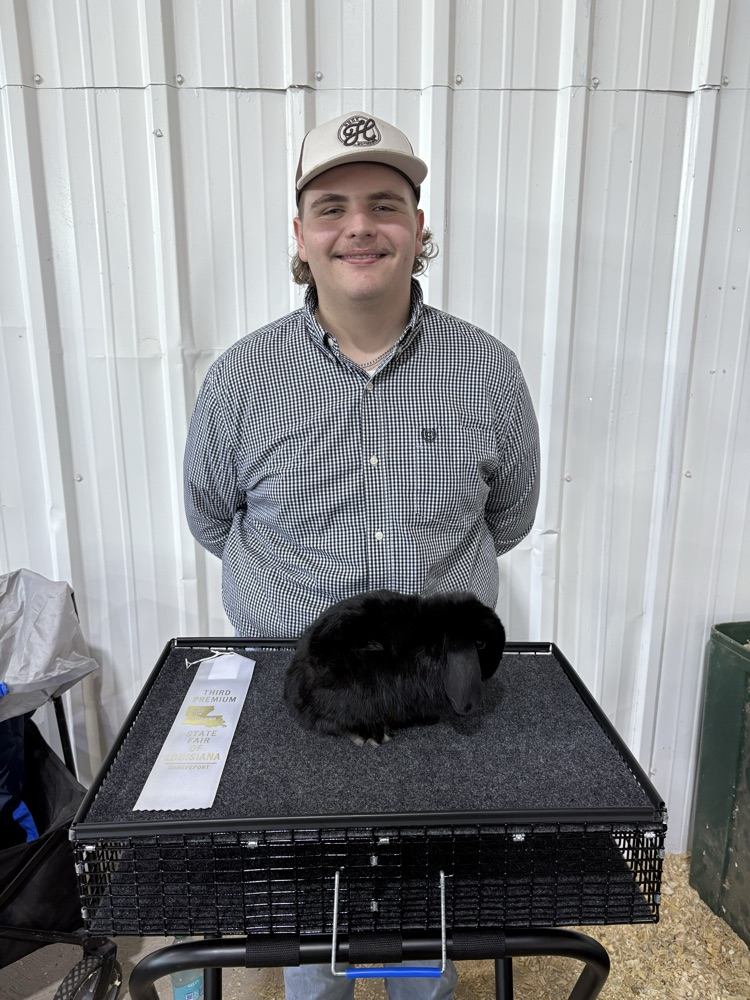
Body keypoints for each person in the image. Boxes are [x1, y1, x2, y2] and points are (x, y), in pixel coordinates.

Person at [184, 111, 540, 999]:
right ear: (299, 237)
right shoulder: (239, 380)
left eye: (386, 204)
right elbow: (210, 518)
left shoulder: (488, 373)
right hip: (295, 697)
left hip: (438, 708)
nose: (360, 226)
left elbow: (511, 515)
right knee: (314, 958)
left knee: (427, 949)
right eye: (332, 205)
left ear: (420, 230)